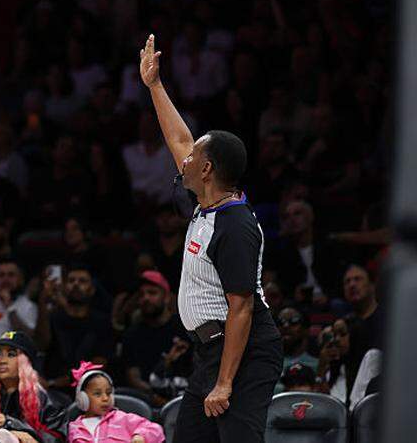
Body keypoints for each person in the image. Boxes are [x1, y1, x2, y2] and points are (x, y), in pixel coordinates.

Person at [138, 35, 282, 443]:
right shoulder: (206, 203)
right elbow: (181, 140)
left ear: (207, 170)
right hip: (209, 352)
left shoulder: (235, 225)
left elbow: (242, 307)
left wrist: (225, 382)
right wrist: (155, 85)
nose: (183, 159)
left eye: (194, 158)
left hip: (244, 351)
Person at [34, 265, 115, 389]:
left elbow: (99, 363)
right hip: (52, 389)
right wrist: (42, 303)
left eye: (82, 281)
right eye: (71, 281)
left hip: (87, 387)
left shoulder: (101, 322)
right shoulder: (53, 317)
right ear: (64, 288)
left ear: (92, 290)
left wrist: (59, 382)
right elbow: (41, 345)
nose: (76, 284)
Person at [119, 271, 182, 403]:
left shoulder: (184, 329)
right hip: (145, 399)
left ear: (166, 297)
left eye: (152, 293)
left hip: (183, 397)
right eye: (141, 294)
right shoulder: (132, 334)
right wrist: (155, 396)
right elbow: (133, 377)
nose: (146, 298)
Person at [67, 362, 163, 443]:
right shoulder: (74, 429)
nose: (105, 398)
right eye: (97, 394)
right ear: (82, 398)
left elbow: (155, 429)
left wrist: (141, 436)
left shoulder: (123, 419)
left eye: (108, 393)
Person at [273, 308, 317, 393]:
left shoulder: (318, 364)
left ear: (306, 329)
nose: (286, 326)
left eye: (293, 322)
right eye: (280, 322)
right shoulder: (266, 364)